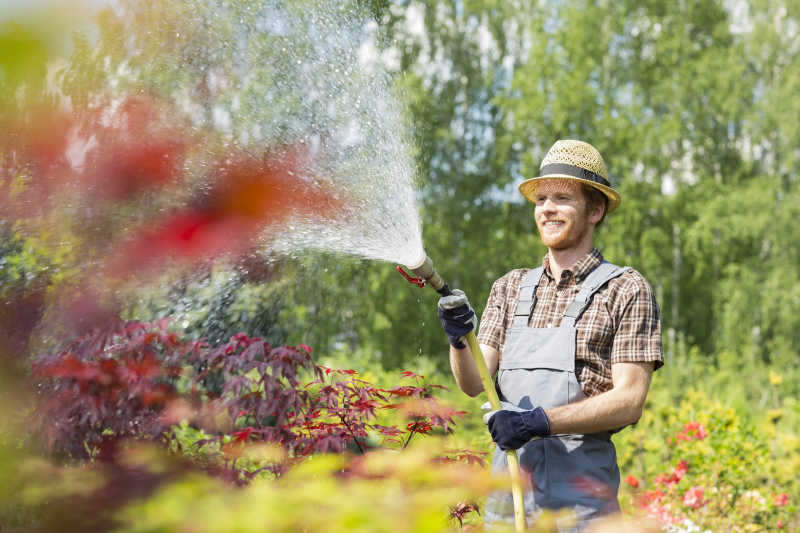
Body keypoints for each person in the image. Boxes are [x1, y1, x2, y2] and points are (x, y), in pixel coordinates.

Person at [437, 140, 663, 529]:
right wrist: (460, 340)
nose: (547, 209)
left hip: (582, 510)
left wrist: (540, 422)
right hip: (509, 505)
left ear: (596, 209)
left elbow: (629, 401)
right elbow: (473, 382)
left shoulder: (625, 289)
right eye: (541, 199)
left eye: (562, 198)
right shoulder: (509, 288)